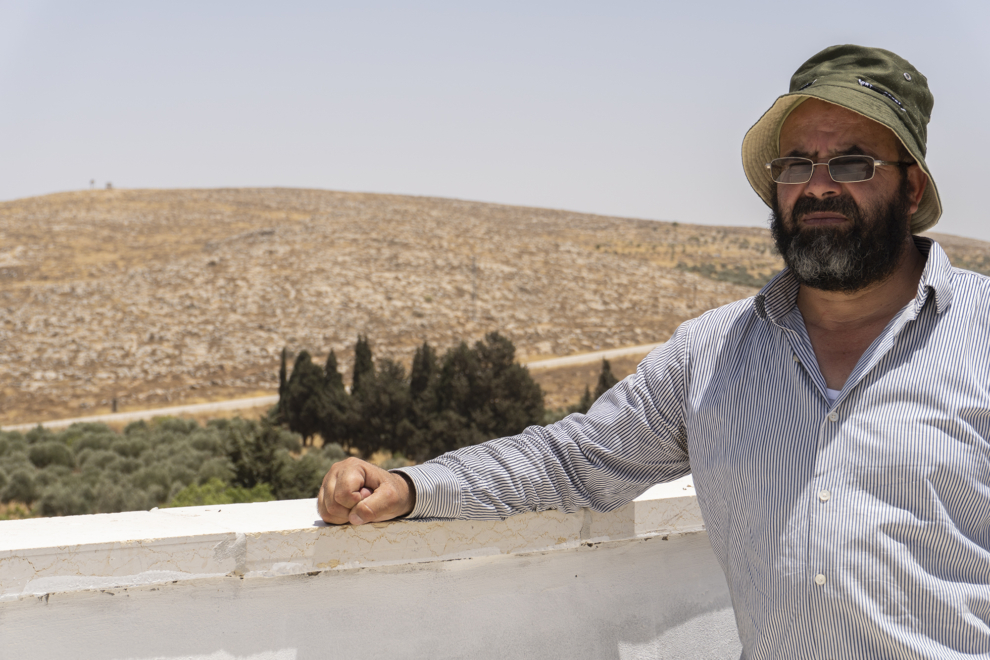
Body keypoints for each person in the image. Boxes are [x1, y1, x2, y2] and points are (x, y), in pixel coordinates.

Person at [318, 45, 990, 658]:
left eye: (852, 162)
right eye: (796, 164)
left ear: (912, 187)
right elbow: (574, 460)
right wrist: (413, 486)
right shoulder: (713, 352)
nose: (818, 187)